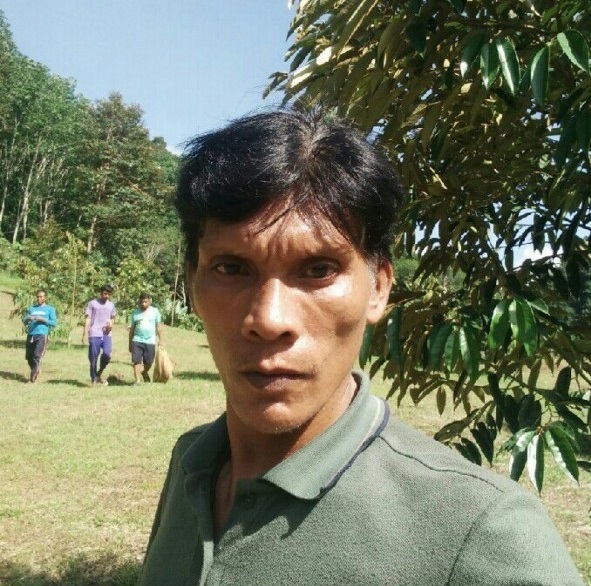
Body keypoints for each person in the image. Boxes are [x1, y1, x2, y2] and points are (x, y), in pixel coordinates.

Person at [138, 111, 584, 586]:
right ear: (193, 282)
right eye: (231, 268)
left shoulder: (482, 533)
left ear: (378, 288)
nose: (268, 320)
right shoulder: (192, 463)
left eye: (318, 270)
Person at [82, 283, 116, 386]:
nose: (107, 296)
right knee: (93, 358)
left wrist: (111, 325)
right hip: (94, 333)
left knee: (107, 355)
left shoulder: (111, 305)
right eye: (105, 294)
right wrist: (85, 333)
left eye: (109, 294)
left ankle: (99, 372)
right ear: (101, 293)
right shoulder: (92, 303)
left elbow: (113, 318)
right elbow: (88, 318)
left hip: (106, 334)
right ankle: (93, 379)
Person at [22, 289, 57, 383]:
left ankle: (33, 378)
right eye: (37, 297)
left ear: (45, 298)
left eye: (41, 297)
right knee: (29, 357)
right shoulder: (32, 308)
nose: (39, 298)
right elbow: (24, 321)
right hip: (31, 334)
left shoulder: (50, 309)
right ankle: (36, 369)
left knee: (37, 355)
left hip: (42, 334)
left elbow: (54, 323)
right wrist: (28, 318)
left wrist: (43, 319)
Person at [129, 292, 164, 385]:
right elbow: (132, 330)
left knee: (149, 362)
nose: (143, 304)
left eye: (145, 302)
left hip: (150, 341)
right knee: (136, 361)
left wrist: (161, 340)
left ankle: (144, 372)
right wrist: (130, 343)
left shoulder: (155, 311)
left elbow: (159, 327)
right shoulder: (135, 313)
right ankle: (137, 381)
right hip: (137, 340)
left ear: (150, 301)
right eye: (141, 302)